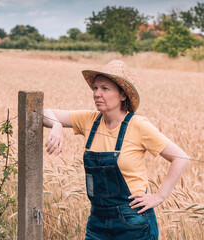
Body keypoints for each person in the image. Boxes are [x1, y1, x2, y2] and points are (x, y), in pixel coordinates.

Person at [43, 59, 189, 240]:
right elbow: (44, 112)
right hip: (96, 221)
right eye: (95, 88)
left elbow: (180, 157)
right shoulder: (89, 120)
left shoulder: (138, 125)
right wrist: (56, 126)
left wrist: (159, 197)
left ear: (122, 95)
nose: (97, 94)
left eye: (105, 88)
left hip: (133, 222)